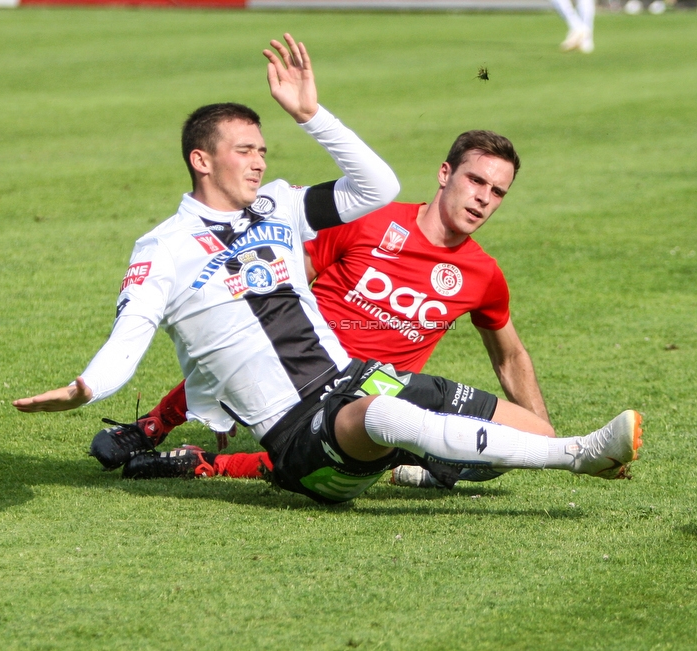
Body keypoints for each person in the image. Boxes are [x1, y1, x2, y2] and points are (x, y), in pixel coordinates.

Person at [14, 34, 643, 505]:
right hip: (303, 428)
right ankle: (576, 454)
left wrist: (309, 114)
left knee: (507, 430)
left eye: (264, 149)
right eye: (244, 151)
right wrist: (85, 388)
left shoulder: (281, 208)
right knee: (377, 416)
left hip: (364, 378)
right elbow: (135, 329)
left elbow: (376, 182)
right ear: (201, 160)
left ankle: (499, 453)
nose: (260, 162)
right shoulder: (165, 246)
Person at [98, 129, 553, 490]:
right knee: (252, 342)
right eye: (476, 180)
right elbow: (270, 297)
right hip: (303, 369)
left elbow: (509, 354)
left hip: (378, 399)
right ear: (444, 173)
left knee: (493, 455)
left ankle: (210, 464)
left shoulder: (483, 274)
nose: (483, 198)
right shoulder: (369, 219)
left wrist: (541, 431)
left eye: (497, 192)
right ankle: (152, 427)